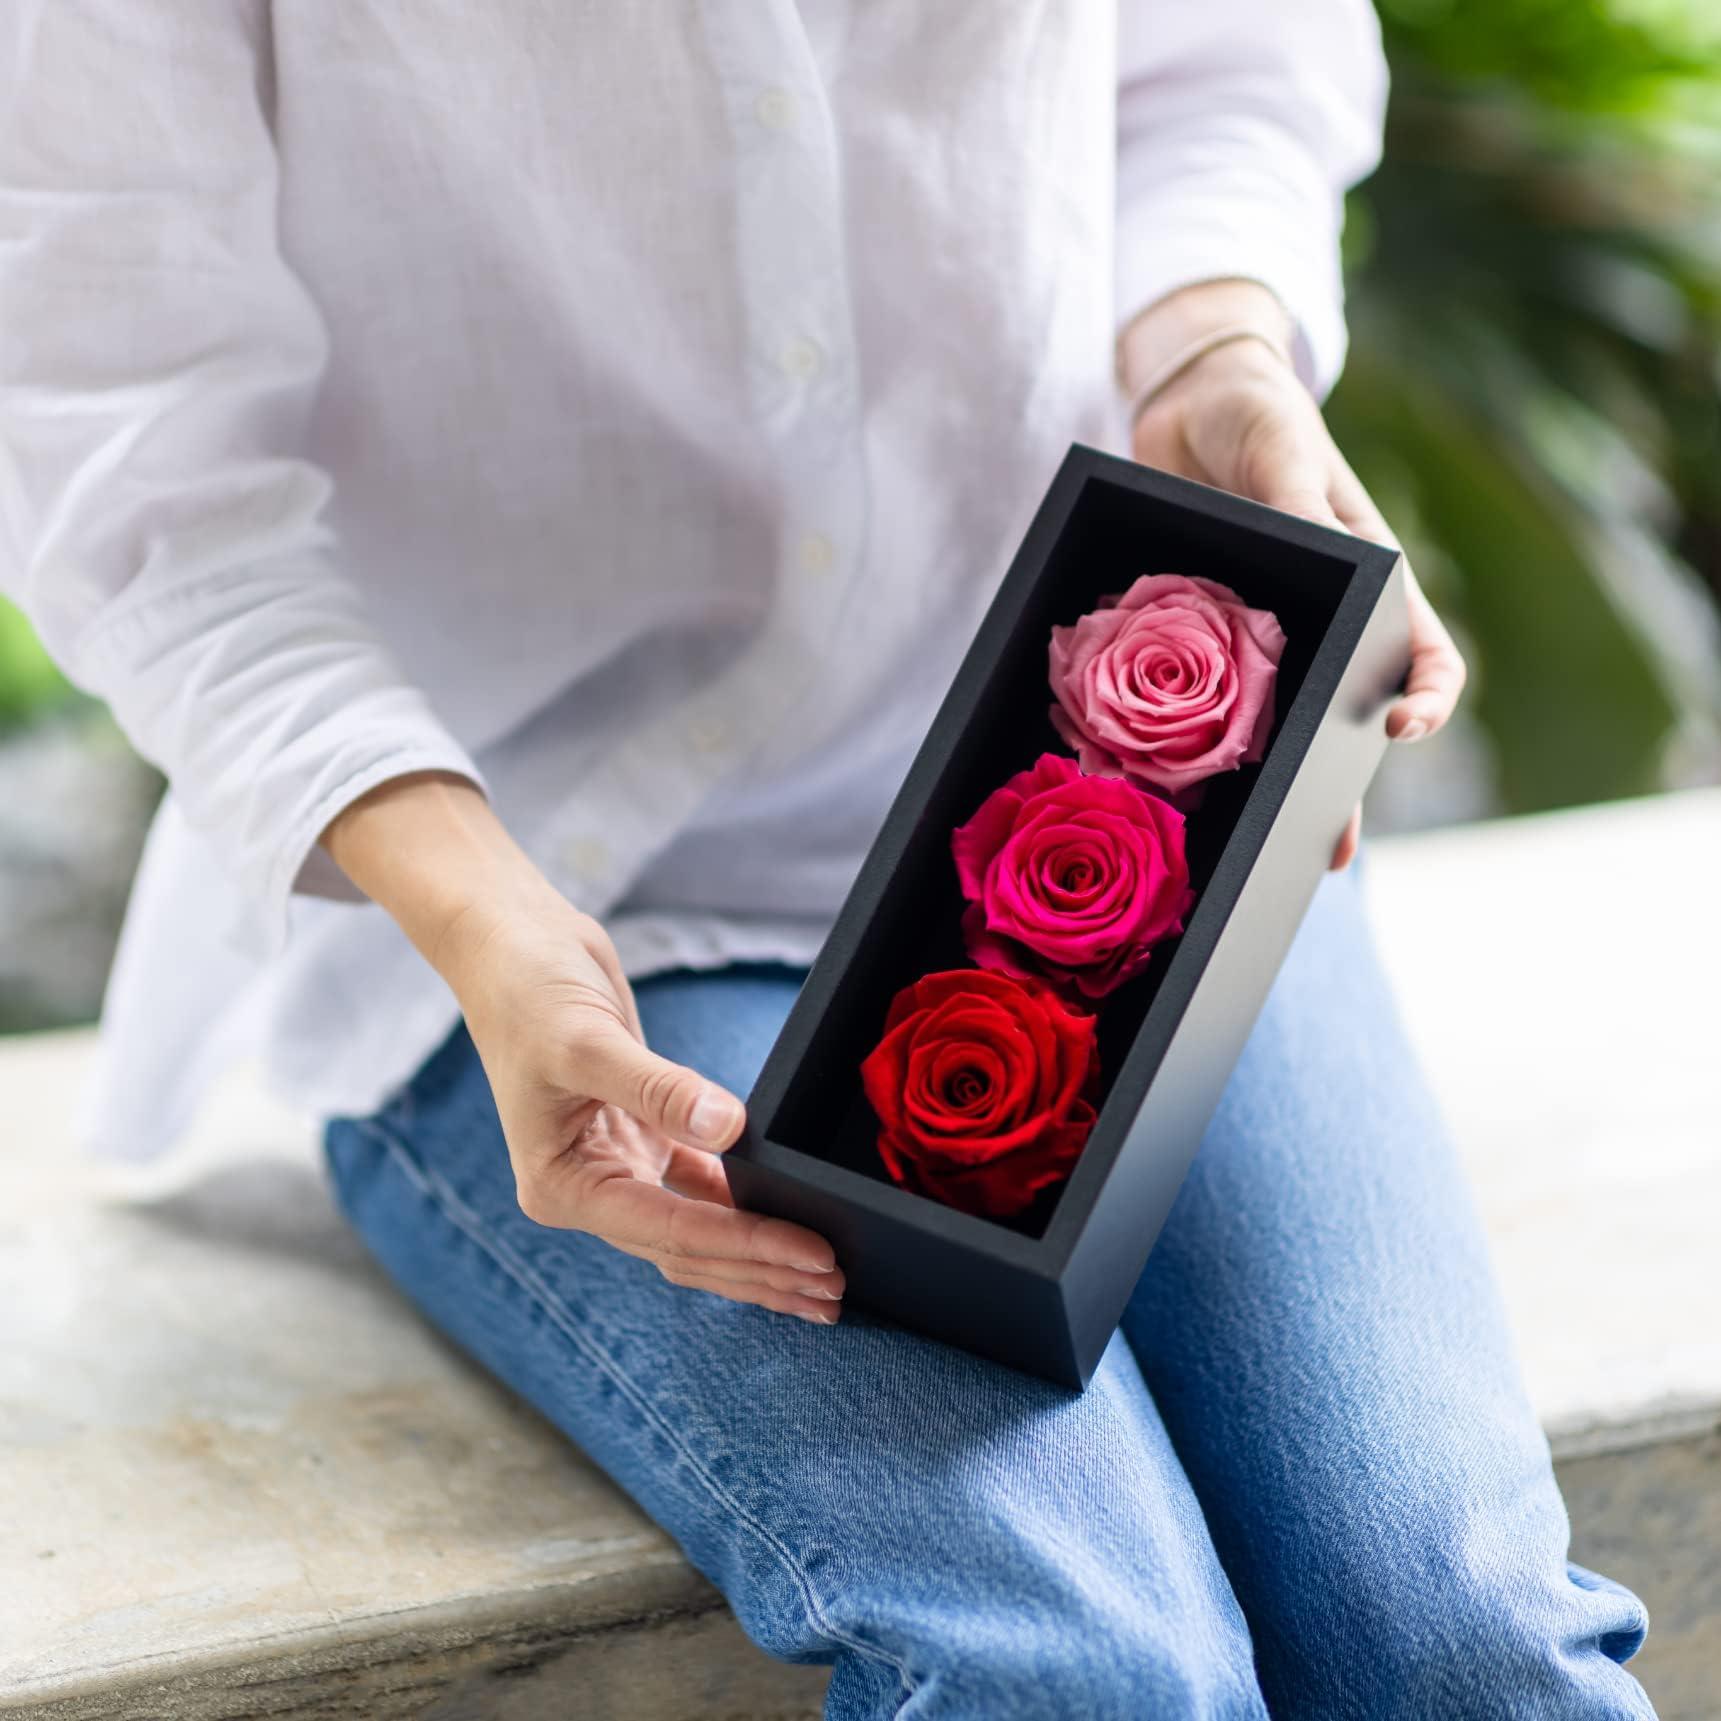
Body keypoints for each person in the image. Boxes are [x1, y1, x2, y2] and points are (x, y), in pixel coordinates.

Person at [0, 4, 1657, 1716]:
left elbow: (1223, 58)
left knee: (1468, 1640)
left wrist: (1212, 354)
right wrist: (480, 916)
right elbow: (129, 451)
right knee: (1085, 1673)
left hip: (1105, 779)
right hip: (543, 880)